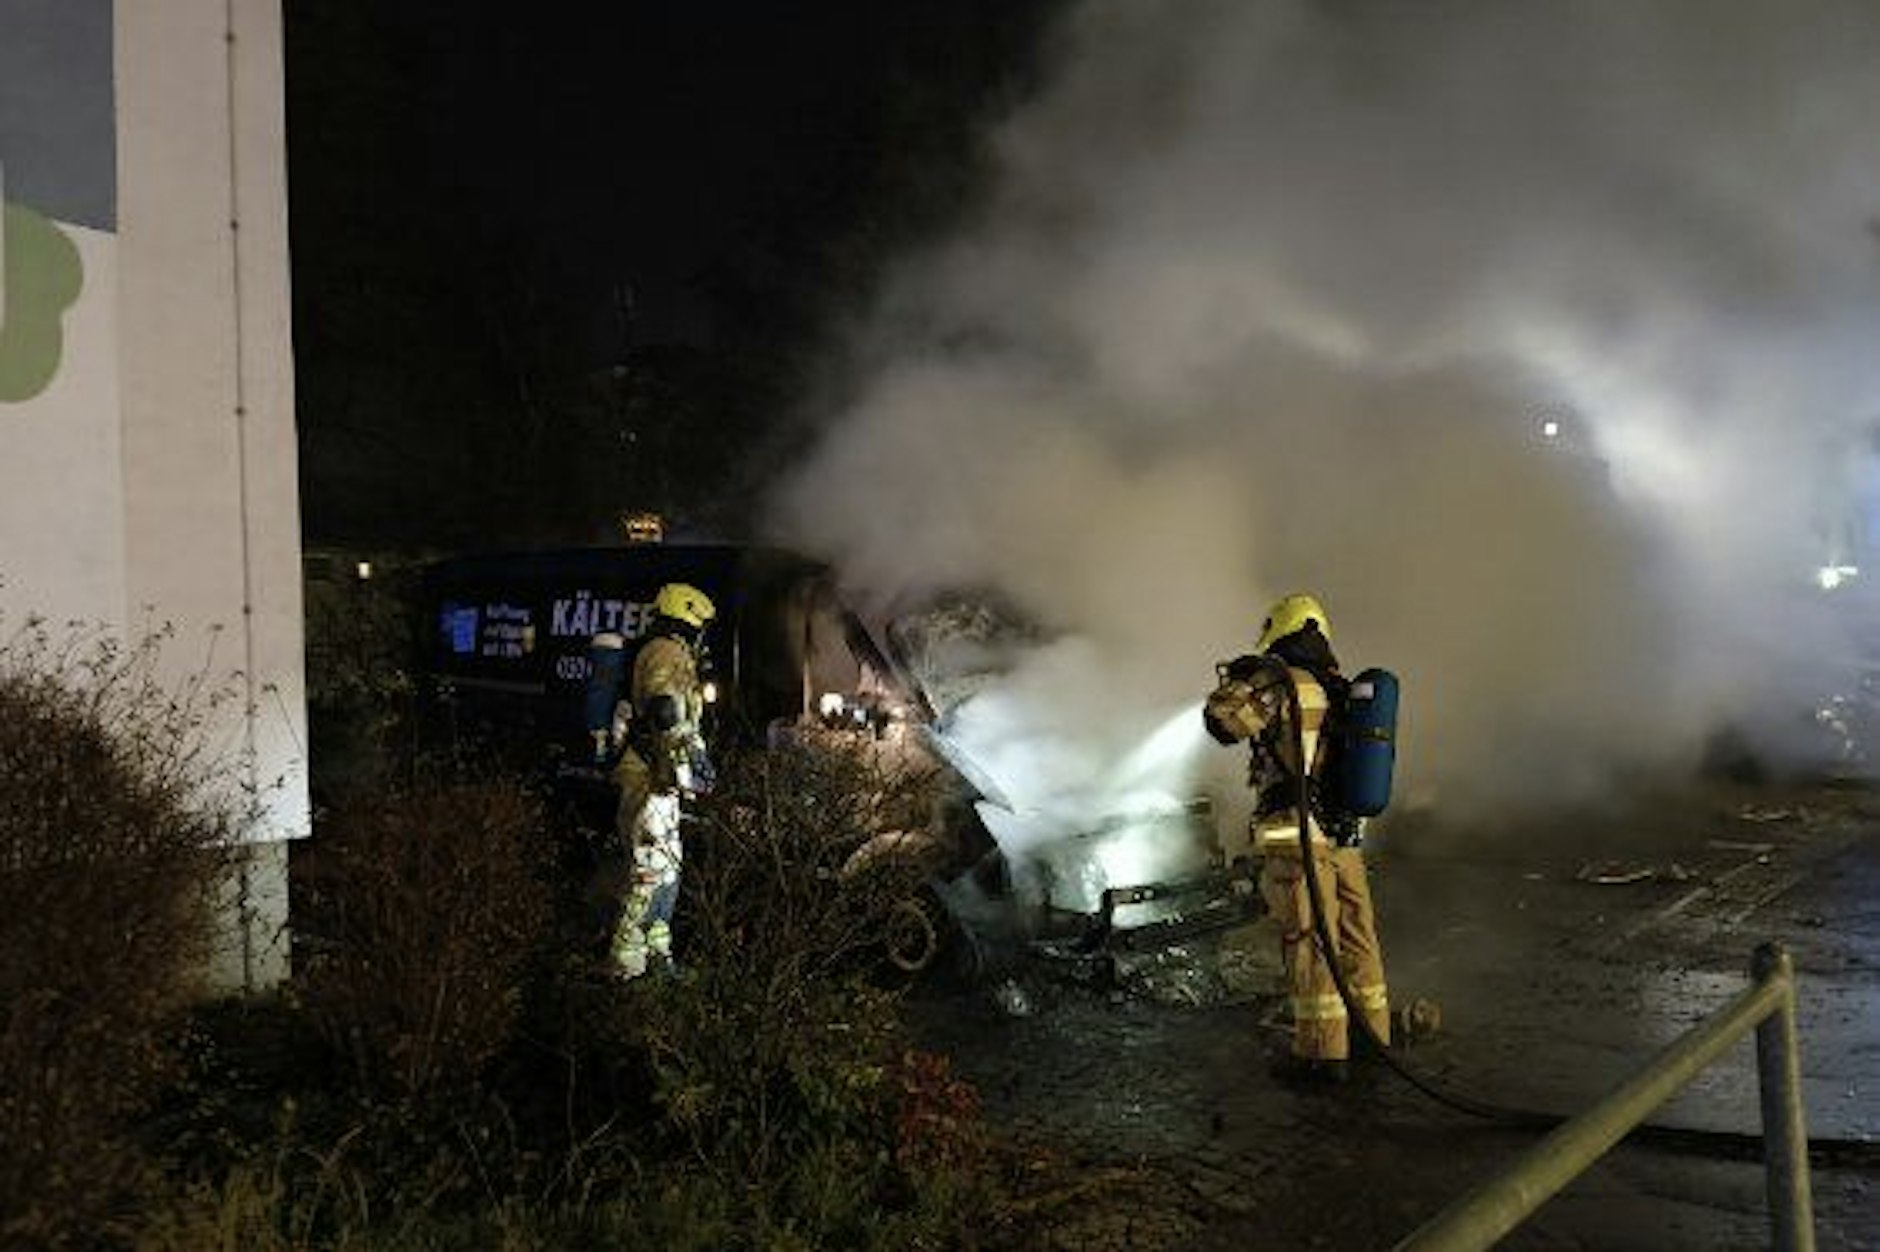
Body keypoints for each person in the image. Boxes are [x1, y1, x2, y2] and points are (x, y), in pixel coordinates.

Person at [1204, 592, 1390, 1085]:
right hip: (1345, 838)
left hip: (1298, 834)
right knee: (1355, 933)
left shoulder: (1279, 682)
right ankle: (1373, 1037)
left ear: (1278, 630)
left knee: (1310, 936)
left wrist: (1243, 678)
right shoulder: (1338, 687)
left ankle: (1322, 1054)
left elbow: (1225, 723)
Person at [610, 581, 717, 979]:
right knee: (649, 868)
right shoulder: (665, 651)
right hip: (648, 776)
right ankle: (625, 962)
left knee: (668, 869)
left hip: (663, 779)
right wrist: (689, 754)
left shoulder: (676, 653)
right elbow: (663, 708)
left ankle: (656, 953)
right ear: (688, 618)